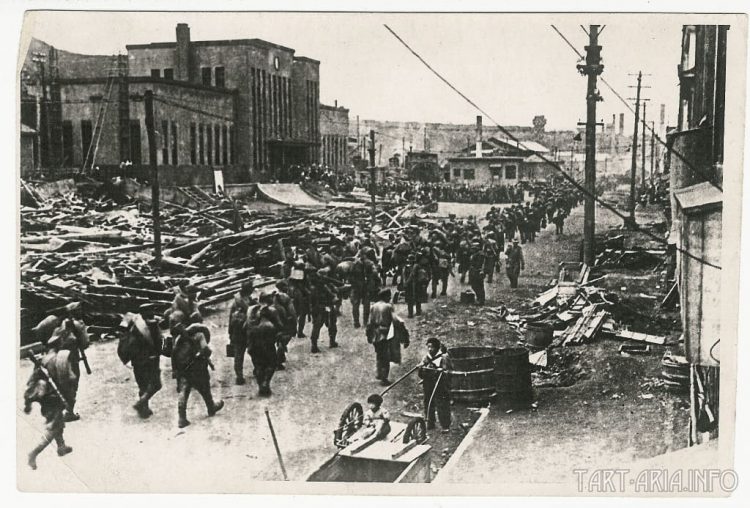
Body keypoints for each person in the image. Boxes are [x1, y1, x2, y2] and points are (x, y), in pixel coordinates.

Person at [170, 311, 224, 428]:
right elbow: (206, 349)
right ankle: (211, 407)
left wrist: (176, 370)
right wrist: (203, 354)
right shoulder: (200, 335)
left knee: (184, 391)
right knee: (205, 388)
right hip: (198, 368)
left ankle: (181, 417)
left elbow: (174, 353)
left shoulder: (179, 338)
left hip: (183, 368)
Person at [24, 348, 74, 470]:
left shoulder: (41, 367)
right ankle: (33, 453)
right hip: (51, 402)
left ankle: (61, 446)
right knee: (53, 428)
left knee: (58, 424)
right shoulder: (44, 371)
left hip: (48, 402)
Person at [47, 302, 89, 422]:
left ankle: (57, 411)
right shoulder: (78, 325)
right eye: (79, 309)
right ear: (74, 312)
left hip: (56, 356)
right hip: (71, 357)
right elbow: (85, 343)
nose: (81, 311)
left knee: (59, 382)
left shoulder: (60, 323)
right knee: (72, 382)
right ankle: (69, 412)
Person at [117, 312, 162, 418]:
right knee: (156, 384)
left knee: (142, 385)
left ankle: (144, 410)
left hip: (136, 361)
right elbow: (158, 341)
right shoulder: (151, 325)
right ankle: (141, 403)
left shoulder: (132, 324)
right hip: (150, 359)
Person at [246, 291, 284, 395]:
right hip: (267, 340)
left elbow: (246, 326)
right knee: (272, 362)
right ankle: (266, 383)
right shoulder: (272, 310)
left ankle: (260, 386)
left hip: (253, 340)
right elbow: (279, 325)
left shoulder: (250, 310)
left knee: (258, 364)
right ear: (269, 300)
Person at [419, 337, 452, 432]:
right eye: (428, 347)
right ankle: (430, 422)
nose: (430, 349)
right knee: (428, 402)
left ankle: (445, 425)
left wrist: (442, 370)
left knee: (442, 403)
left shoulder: (444, 357)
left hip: (440, 384)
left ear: (437, 348)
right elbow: (421, 372)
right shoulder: (426, 357)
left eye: (432, 347)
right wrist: (421, 367)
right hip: (428, 383)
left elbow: (448, 371)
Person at [366, 288, 397, 385]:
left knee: (379, 354)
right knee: (386, 356)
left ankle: (379, 373)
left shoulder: (373, 306)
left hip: (375, 333)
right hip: (385, 333)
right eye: (389, 296)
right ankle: (384, 378)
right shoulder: (388, 307)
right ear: (386, 296)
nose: (390, 298)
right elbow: (394, 320)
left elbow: (369, 322)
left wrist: (368, 334)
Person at [228, 281, 256, 385]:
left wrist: (230, 332)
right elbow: (232, 318)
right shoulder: (239, 302)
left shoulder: (246, 299)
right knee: (240, 354)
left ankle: (250, 372)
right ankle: (239, 376)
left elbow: (230, 318)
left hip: (242, 331)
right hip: (241, 331)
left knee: (249, 352)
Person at [308, 269, 341, 352]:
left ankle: (314, 345)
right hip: (326, 307)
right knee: (332, 324)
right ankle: (332, 341)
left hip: (316, 309)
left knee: (316, 326)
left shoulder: (312, 287)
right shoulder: (324, 287)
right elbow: (334, 296)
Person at [273, 280, 297, 370]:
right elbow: (292, 312)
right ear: (283, 287)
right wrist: (295, 325)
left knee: (278, 338)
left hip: (274, 320)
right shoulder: (286, 297)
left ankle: (281, 356)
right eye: (286, 286)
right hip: (284, 320)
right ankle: (278, 361)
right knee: (285, 338)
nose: (287, 288)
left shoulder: (273, 295)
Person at [468, 241, 486, 305]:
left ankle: (481, 300)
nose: (472, 250)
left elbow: (479, 264)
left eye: (473, 248)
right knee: (474, 285)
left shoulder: (480, 254)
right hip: (474, 271)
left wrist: (476, 269)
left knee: (478, 286)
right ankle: (479, 298)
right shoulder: (475, 254)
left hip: (477, 271)